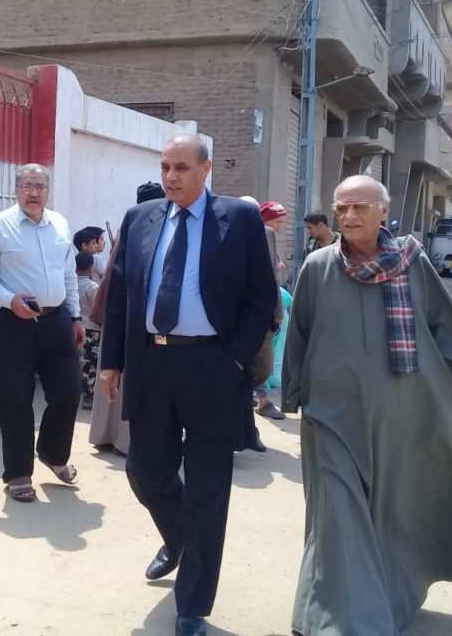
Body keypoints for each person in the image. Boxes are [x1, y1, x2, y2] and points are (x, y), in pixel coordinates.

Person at [283, 175, 452, 636]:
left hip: (402, 413)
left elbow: (444, 326)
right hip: (332, 415)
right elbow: (298, 334)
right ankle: (337, 619)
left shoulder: (413, 264)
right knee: (337, 512)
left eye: (359, 207)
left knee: (390, 513)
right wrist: (295, 392)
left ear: (384, 211)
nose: (349, 216)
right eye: (341, 208)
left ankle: (389, 599)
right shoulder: (318, 267)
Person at [100, 134, 277, 636]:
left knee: (208, 491)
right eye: (164, 167)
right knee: (144, 470)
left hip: (211, 367)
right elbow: (121, 295)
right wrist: (113, 361)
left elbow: (260, 296)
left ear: (206, 168)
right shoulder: (141, 218)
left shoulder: (239, 219)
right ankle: (179, 537)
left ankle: (193, 605)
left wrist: (234, 360)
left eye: (181, 167)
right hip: (152, 364)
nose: (170, 177)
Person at [0, 163, 86, 503]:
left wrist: (75, 316)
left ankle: (52, 452)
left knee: (68, 392)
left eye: (40, 187)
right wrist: (10, 300)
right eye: (27, 186)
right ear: (16, 189)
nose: (33, 193)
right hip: (14, 322)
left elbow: (68, 275)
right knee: (16, 399)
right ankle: (18, 473)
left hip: (57, 320)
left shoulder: (60, 224)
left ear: (48, 191)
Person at [88, 181, 166, 457]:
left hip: (116, 309)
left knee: (112, 370)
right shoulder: (144, 225)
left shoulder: (129, 223)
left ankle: (104, 434)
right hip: (131, 311)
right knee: (124, 373)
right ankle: (124, 440)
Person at [240, 195, 285, 436]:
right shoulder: (224, 231)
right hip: (234, 315)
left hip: (259, 313)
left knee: (262, 363)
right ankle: (248, 428)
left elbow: (270, 277)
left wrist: (276, 310)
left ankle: (262, 402)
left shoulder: (265, 234)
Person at [76, 252, 102, 410]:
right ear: (92, 268)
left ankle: (80, 392)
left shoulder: (71, 285)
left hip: (75, 327)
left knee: (79, 361)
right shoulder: (93, 287)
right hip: (91, 330)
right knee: (91, 363)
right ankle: (89, 396)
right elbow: (97, 310)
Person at [259, 201, 288, 285]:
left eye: (282, 222)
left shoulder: (271, 238)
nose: (280, 226)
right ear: (265, 220)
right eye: (278, 222)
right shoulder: (258, 240)